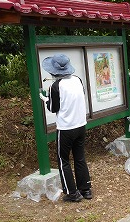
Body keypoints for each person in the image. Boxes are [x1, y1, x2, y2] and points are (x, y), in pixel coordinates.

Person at [39, 54, 92, 202]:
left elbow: (53, 107)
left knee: (63, 160)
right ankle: (86, 189)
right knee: (79, 157)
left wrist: (45, 99)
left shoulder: (55, 86)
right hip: (81, 125)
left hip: (66, 128)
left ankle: (72, 193)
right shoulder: (77, 80)